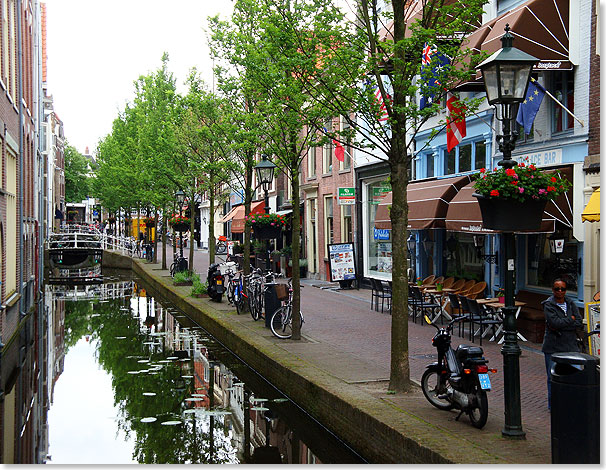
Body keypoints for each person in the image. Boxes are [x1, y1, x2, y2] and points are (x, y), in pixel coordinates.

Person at [541, 278, 583, 410]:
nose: (560, 291)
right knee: (553, 376)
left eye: (563, 289)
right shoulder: (548, 304)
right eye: (557, 289)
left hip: (571, 345)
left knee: (575, 374)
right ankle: (553, 405)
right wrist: (570, 320)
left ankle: (573, 402)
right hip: (553, 346)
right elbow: (554, 323)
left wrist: (564, 323)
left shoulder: (571, 303)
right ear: (553, 290)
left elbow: (579, 322)